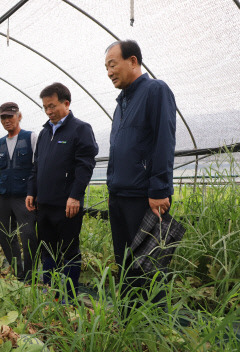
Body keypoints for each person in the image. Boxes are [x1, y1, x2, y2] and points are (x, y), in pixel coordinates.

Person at [104, 40, 176, 305]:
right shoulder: (120, 104)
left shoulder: (155, 90)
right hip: (120, 196)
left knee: (150, 265)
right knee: (125, 263)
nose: (109, 72)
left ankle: (153, 328)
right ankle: (129, 321)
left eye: (113, 64)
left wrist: (159, 190)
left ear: (133, 61)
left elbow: (164, 140)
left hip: (144, 197)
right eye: (106, 67)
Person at [26, 83, 99, 301]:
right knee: (47, 248)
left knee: (69, 250)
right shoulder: (44, 132)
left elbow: (85, 165)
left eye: (52, 106)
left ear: (66, 103)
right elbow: (36, 166)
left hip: (67, 204)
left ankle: (68, 296)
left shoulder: (80, 129)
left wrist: (75, 196)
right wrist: (32, 191)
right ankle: (50, 291)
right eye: (45, 107)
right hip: (44, 204)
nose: (48, 111)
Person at [0, 102, 38, 281]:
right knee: (4, 234)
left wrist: (34, 193)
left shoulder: (30, 137)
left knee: (28, 235)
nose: (6, 120)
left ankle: (30, 273)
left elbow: (37, 167)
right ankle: (17, 269)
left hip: (24, 196)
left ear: (19, 116)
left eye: (10, 116)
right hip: (4, 196)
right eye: (3, 117)